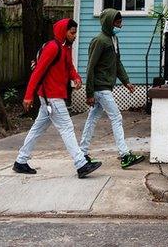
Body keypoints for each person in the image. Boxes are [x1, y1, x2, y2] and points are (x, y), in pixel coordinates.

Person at [14, 19, 102, 179]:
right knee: (67, 128)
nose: (75, 36)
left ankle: (21, 160)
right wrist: (28, 96)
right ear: (64, 31)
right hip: (51, 97)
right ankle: (81, 164)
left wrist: (76, 78)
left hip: (50, 97)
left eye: (75, 32)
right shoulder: (53, 48)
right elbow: (38, 72)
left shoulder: (65, 48)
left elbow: (69, 67)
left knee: (37, 129)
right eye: (72, 32)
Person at [79, 9, 145, 170]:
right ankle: (124, 155)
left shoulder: (113, 39)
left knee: (92, 119)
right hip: (100, 88)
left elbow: (117, 63)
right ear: (109, 22)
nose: (120, 24)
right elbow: (90, 67)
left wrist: (126, 82)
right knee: (116, 117)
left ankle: (82, 152)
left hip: (105, 86)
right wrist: (89, 93)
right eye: (117, 22)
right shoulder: (99, 41)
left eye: (120, 21)